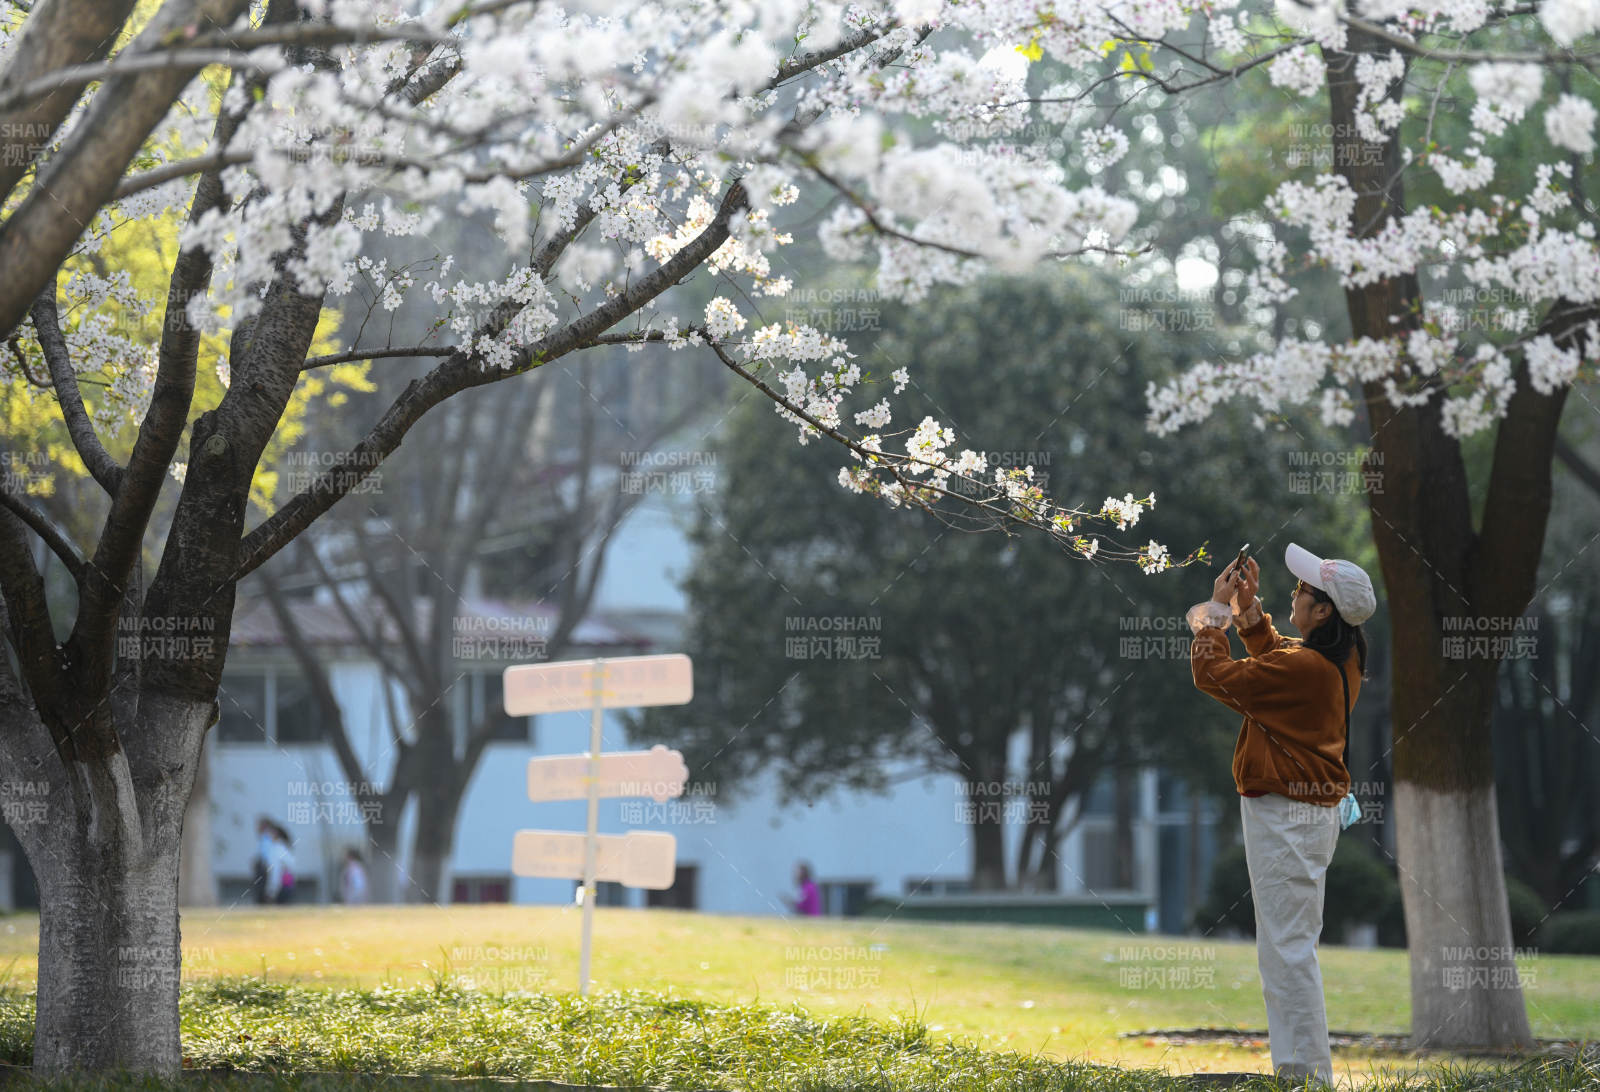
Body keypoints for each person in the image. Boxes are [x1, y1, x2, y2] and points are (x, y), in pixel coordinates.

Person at [1185, 541, 1376, 1089]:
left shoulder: (1305, 667)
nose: (1293, 593)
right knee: (1288, 949)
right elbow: (1276, 658)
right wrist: (1248, 614)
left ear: (1323, 613)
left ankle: (1305, 1079)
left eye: (1302, 590)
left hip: (1288, 817)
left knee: (1287, 953)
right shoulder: (1338, 658)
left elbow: (1214, 676)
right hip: (1304, 815)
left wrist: (1215, 614)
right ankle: (1301, 1074)